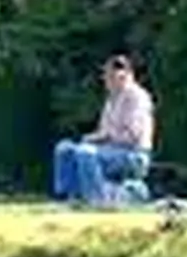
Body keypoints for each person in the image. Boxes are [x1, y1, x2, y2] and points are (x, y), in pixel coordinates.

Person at [53, 55, 154, 205]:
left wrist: (104, 137)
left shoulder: (138, 98)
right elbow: (103, 131)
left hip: (134, 154)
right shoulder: (111, 100)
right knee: (65, 149)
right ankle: (70, 198)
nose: (106, 80)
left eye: (110, 75)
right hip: (111, 150)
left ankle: (98, 199)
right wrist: (91, 138)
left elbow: (132, 136)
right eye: (106, 76)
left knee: (86, 153)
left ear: (124, 75)